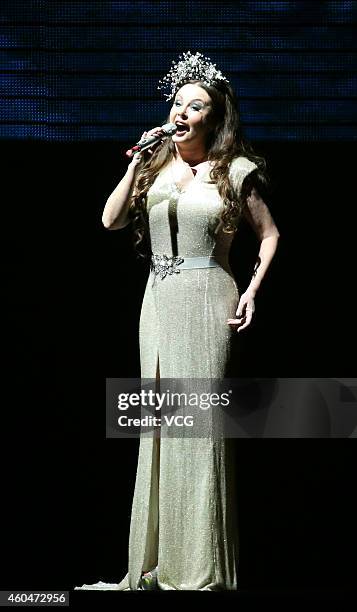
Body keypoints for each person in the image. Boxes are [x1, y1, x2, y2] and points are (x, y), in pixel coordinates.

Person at [75, 51, 280, 591]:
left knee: (200, 424)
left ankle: (200, 564)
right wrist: (134, 161)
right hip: (159, 300)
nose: (184, 111)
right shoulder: (154, 165)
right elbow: (110, 219)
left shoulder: (235, 171)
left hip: (210, 296)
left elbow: (271, 234)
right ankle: (155, 561)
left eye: (197, 105)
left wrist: (253, 290)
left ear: (215, 117)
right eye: (178, 102)